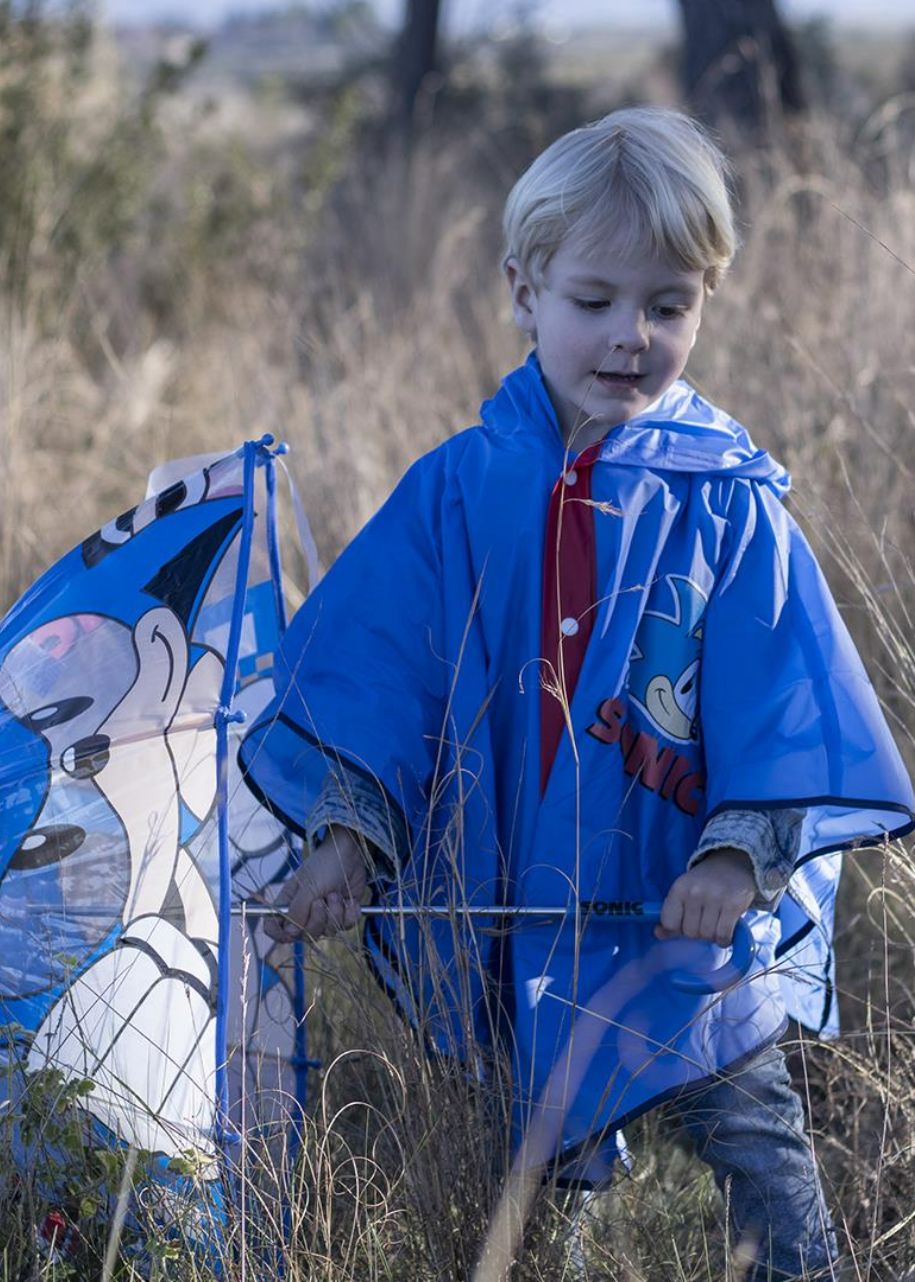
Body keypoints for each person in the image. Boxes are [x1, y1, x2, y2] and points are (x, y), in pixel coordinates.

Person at [238, 107, 915, 1280]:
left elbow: (780, 695)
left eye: (668, 304)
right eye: (594, 300)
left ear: (706, 298)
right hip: (527, 930)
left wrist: (737, 855)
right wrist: (349, 837)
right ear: (523, 290)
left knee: (759, 1158)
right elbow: (386, 676)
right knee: (542, 1188)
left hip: (688, 935)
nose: (629, 336)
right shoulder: (458, 490)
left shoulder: (728, 502)